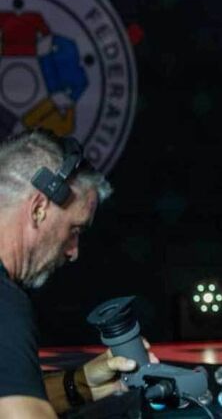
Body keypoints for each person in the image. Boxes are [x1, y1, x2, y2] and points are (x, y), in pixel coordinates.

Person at [0, 129, 158, 418]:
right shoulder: (4, 303)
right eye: (74, 229)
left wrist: (81, 384)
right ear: (38, 208)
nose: (73, 252)